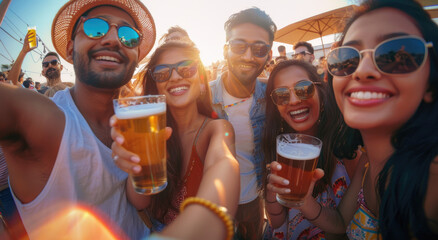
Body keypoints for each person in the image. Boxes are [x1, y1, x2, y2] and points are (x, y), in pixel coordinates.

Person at [276, 0, 438, 239]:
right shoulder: (367, 164)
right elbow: (341, 222)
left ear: (431, 83)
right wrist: (302, 200)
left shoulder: (431, 179)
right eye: (347, 59)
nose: (362, 70)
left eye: (398, 55)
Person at [0, 0, 156, 238]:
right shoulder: (44, 119)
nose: (113, 39)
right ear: (70, 50)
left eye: (128, 35)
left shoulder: (136, 118)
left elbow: (138, 201)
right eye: (96, 28)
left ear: (136, 55)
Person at [111, 40, 240, 240]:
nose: (176, 77)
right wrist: (135, 163)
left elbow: (223, 163)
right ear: (156, 86)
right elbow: (139, 202)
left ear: (201, 79)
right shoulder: (150, 133)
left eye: (187, 68)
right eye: (163, 73)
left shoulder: (217, 129)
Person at [263, 60, 362, 239]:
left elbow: (342, 226)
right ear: (276, 107)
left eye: (303, 89)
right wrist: (272, 193)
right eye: (281, 95)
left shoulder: (346, 150)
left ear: (321, 92)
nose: (293, 100)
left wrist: (305, 202)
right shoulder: (280, 149)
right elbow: (277, 224)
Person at [209, 7, 276, 239]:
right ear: (226, 49)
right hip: (213, 206)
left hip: (254, 204)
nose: (249, 56)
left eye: (259, 49)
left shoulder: (274, 96)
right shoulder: (201, 98)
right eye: (239, 46)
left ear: (268, 55)